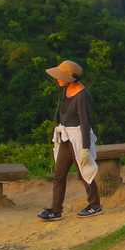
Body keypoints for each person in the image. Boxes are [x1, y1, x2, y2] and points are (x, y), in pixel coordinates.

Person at [39, 59, 102, 221]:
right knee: (59, 174)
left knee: (84, 172)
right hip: (66, 137)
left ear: (70, 78)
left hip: (79, 138)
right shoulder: (66, 90)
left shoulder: (82, 95)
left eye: (61, 76)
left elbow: (85, 122)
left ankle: (95, 205)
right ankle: (56, 209)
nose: (57, 79)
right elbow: (61, 115)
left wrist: (85, 148)